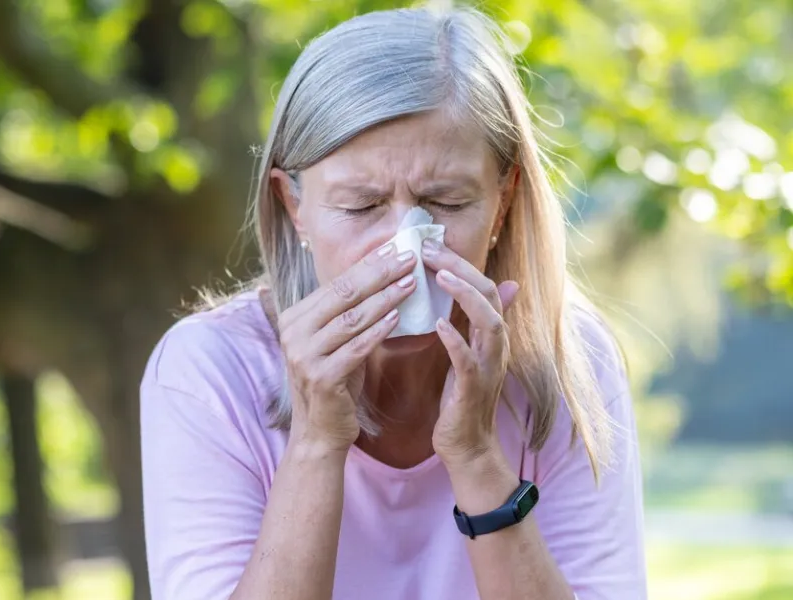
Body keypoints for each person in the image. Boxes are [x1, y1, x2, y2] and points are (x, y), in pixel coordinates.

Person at [138, 6, 645, 600]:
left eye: (447, 203)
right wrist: (316, 441)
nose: (406, 250)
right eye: (359, 206)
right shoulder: (208, 374)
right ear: (294, 206)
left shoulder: (566, 360)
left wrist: (477, 456)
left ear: (502, 203)